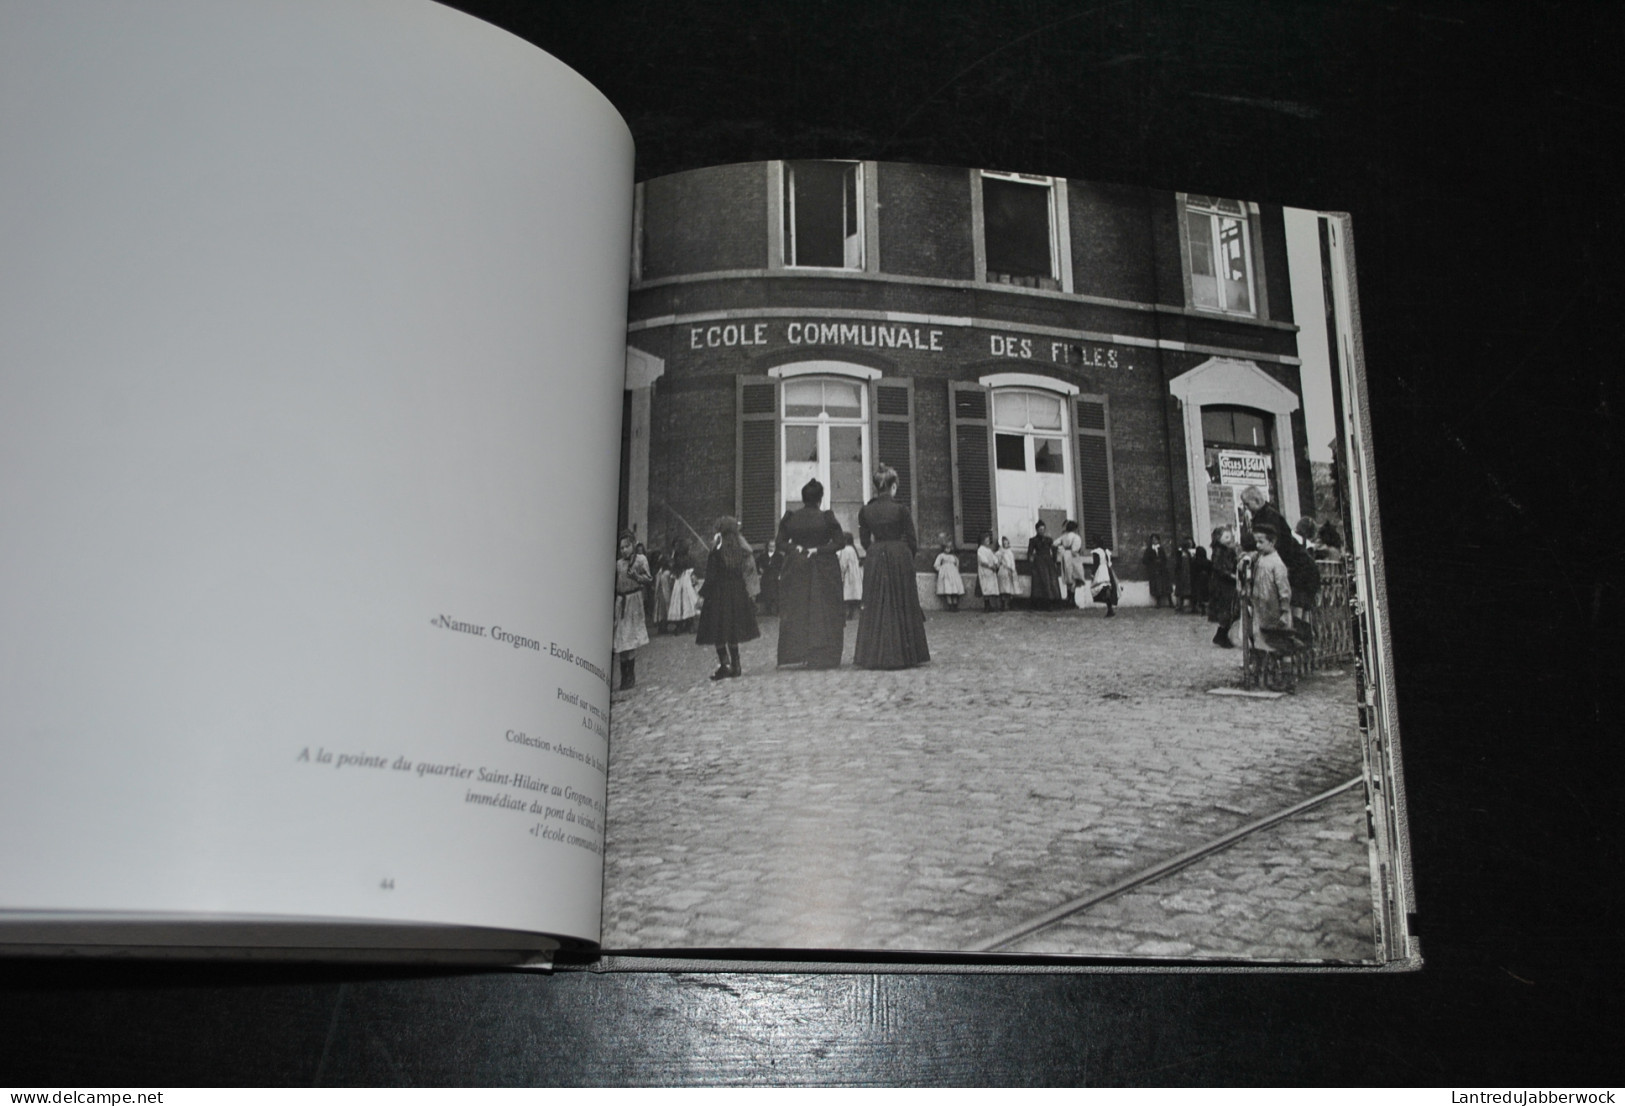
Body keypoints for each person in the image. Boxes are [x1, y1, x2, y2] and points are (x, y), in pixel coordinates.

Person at [854, 464, 930, 669]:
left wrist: (876, 553)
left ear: (877, 487)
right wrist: (905, 556)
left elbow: (864, 541)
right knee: (902, 602)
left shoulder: (866, 510)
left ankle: (874, 655)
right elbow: (913, 541)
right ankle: (906, 655)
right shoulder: (901, 509)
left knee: (876, 603)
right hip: (899, 556)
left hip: (876, 555)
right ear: (893, 486)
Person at [775, 478, 846, 668]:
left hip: (797, 568)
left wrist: (794, 547)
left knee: (799, 609)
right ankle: (823, 655)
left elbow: (779, 543)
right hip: (823, 569)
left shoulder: (791, 517)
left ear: (803, 498)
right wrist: (820, 550)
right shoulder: (826, 517)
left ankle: (799, 654)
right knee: (824, 610)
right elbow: (840, 542)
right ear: (820, 499)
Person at [1240, 486, 1319, 652]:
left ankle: (1296, 652)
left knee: (1294, 612)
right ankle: (1298, 654)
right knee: (1294, 612)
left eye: (1247, 504)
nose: (1246, 508)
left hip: (1298, 569)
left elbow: (1255, 541)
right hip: (1296, 567)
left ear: (1257, 501)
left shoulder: (1267, 517)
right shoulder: (1267, 514)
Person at [695, 516, 760, 680]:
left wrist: (702, 595)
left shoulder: (716, 553)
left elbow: (711, 577)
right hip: (737, 595)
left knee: (718, 631)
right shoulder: (741, 551)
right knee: (732, 630)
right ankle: (736, 665)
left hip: (718, 596)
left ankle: (725, 665)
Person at [1248, 523, 1296, 689]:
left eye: (1261, 542)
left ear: (1272, 542)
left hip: (1276, 611)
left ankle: (1287, 679)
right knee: (1265, 643)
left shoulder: (1277, 564)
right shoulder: (1262, 559)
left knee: (1282, 646)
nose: (1257, 545)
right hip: (1263, 609)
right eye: (1256, 541)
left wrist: (1284, 611)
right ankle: (1268, 676)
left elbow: (1284, 590)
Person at [612, 531, 653, 690]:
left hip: (634, 602)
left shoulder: (640, 560)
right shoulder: (618, 564)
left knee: (631, 638)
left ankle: (631, 675)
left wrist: (637, 577)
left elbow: (649, 579)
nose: (624, 550)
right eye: (621, 547)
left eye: (627, 546)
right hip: (621, 602)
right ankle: (624, 676)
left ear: (633, 545)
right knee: (622, 639)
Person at [1208, 525, 1239, 647]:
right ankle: (1222, 637)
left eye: (1229, 536)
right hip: (1222, 586)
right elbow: (1218, 568)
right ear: (1218, 538)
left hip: (1227, 585)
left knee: (1230, 610)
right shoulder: (1219, 551)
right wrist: (1231, 575)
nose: (1229, 539)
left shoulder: (1228, 550)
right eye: (1226, 537)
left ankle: (1221, 635)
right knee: (1226, 611)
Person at [1026, 520, 1064, 609]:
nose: (1042, 531)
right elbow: (1030, 552)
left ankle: (1053, 603)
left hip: (1049, 562)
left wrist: (1054, 560)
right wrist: (1031, 561)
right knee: (1042, 582)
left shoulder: (1048, 540)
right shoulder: (1033, 540)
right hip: (1039, 562)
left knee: (1051, 582)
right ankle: (1042, 604)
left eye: (1043, 529)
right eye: (1040, 529)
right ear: (1036, 530)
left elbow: (1054, 549)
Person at [665, 538, 699, 633]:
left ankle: (688, 624)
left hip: (685, 579)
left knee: (687, 600)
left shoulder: (687, 557)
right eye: (689, 547)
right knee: (680, 600)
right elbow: (678, 567)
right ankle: (681, 624)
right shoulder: (680, 557)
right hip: (681, 579)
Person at [1055, 519, 1091, 608]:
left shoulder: (1063, 536)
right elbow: (1075, 549)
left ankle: (1069, 599)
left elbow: (1054, 543)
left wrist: (1062, 548)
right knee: (1075, 576)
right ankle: (1072, 600)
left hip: (1065, 556)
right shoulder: (1076, 537)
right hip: (1073, 557)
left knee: (1068, 577)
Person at [1088, 535, 1118, 617]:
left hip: (1101, 570)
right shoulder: (1107, 551)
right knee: (1106, 586)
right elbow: (1109, 562)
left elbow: (1096, 564)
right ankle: (1110, 608)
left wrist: (1093, 573)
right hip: (1107, 570)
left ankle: (1109, 607)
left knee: (1101, 587)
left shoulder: (1096, 552)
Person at [837, 532, 863, 621]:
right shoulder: (853, 549)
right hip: (855, 578)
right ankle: (855, 617)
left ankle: (848, 618)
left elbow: (843, 565)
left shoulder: (845, 550)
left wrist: (841, 577)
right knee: (855, 599)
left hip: (849, 578)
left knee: (847, 599)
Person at [1143, 533, 1172, 609]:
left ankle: (1170, 602)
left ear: (1158, 540)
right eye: (1153, 540)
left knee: (1167, 585)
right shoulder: (1149, 550)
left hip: (1162, 569)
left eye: (1156, 539)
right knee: (1157, 585)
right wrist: (1153, 562)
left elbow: (1165, 559)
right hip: (1154, 570)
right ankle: (1158, 602)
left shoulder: (1161, 549)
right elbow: (1145, 560)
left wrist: (1161, 562)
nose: (1154, 541)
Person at [933, 539, 964, 611]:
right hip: (945, 575)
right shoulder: (941, 556)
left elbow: (957, 564)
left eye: (949, 548)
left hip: (953, 574)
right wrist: (941, 570)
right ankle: (950, 605)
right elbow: (936, 565)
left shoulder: (953, 557)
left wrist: (956, 570)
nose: (948, 549)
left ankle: (955, 605)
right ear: (943, 548)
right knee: (948, 588)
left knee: (954, 589)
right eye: (946, 548)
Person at [755, 538, 783, 615]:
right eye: (770, 546)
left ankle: (776, 611)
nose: (772, 548)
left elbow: (782, 566)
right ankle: (768, 610)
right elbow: (756, 563)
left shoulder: (779, 556)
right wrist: (759, 570)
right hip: (766, 576)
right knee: (766, 594)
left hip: (775, 577)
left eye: (773, 546)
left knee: (775, 594)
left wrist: (780, 574)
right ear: (767, 547)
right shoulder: (763, 556)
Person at [975, 532, 1001, 612]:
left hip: (991, 572)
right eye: (986, 540)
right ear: (982, 541)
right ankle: (986, 605)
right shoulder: (980, 550)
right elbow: (983, 561)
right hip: (985, 571)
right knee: (986, 587)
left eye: (988, 540)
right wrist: (990, 566)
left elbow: (994, 558)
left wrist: (996, 563)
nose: (988, 541)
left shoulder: (989, 550)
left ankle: (990, 605)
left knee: (991, 587)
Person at [1173, 537, 1196, 612]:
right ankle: (1180, 605)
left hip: (1190, 574)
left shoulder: (1193, 552)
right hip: (1182, 574)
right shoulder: (1180, 553)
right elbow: (1177, 564)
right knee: (1180, 590)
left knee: (1192, 590)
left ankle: (1193, 606)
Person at [996, 536, 1018, 611]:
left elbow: (1012, 562)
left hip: (1010, 571)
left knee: (1009, 587)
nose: (1006, 544)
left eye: (1007, 543)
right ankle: (1003, 604)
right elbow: (997, 561)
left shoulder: (1010, 552)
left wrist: (1012, 569)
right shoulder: (999, 552)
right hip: (1003, 570)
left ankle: (1008, 604)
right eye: (1004, 543)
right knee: (1003, 587)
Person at [1191, 539, 1212, 616]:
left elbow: (1192, 572)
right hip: (1206, 581)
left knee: (1199, 595)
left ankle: (1200, 608)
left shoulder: (1194, 562)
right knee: (1206, 595)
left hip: (1197, 581)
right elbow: (1211, 571)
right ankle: (1206, 609)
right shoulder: (1208, 562)